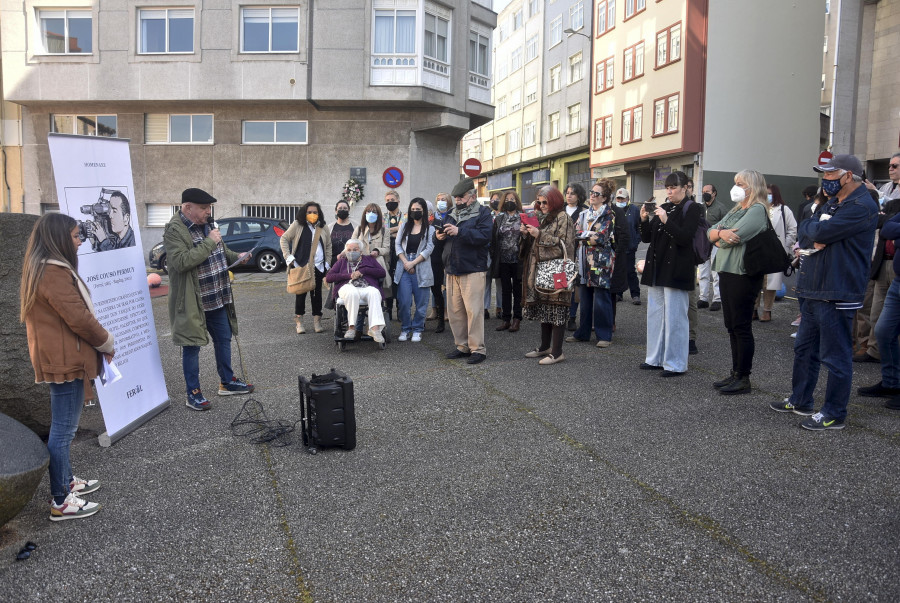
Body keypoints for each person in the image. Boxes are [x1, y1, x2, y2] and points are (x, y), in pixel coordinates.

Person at [770, 154, 878, 430]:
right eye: (824, 176)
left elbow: (822, 231)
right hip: (814, 287)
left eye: (831, 175)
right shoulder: (833, 202)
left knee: (836, 355)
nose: (825, 181)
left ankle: (834, 412)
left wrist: (819, 234)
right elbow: (809, 230)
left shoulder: (861, 205)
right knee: (804, 349)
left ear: (849, 176)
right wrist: (817, 234)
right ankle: (801, 399)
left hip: (837, 290)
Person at [20, 213, 115, 520]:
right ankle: (60, 499)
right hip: (64, 361)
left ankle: (67, 480)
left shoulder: (44, 268)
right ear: (60, 239)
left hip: (63, 357)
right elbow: (78, 318)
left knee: (65, 427)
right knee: (63, 430)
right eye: (75, 236)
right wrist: (107, 343)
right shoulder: (53, 272)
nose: (79, 241)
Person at [165, 188, 254, 411]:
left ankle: (227, 381)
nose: (208, 212)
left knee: (224, 338)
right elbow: (181, 262)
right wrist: (209, 242)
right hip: (193, 302)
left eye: (209, 208)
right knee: (192, 345)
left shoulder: (208, 226)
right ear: (187, 208)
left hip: (218, 296)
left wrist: (238, 257)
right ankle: (193, 393)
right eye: (204, 208)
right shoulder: (175, 230)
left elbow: (221, 251)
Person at [706, 170, 770, 394]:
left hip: (742, 274)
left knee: (741, 326)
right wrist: (720, 234)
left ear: (752, 187)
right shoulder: (736, 209)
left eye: (740, 183)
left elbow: (735, 237)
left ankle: (744, 377)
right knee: (731, 326)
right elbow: (710, 232)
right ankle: (735, 372)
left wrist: (719, 236)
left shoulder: (757, 210)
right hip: (727, 272)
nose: (736, 187)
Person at [638, 171, 702, 376]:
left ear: (685, 187)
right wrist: (644, 220)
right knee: (656, 316)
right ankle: (655, 358)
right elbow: (647, 238)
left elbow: (684, 237)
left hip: (677, 268)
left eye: (673, 187)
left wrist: (666, 220)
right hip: (657, 267)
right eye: (667, 187)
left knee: (675, 317)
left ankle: (675, 363)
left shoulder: (693, 208)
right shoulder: (664, 207)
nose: (670, 191)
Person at [436, 178, 493, 364]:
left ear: (472, 196)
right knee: (455, 312)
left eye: (461, 197)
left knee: (473, 311)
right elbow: (445, 236)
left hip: (472, 268)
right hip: (452, 268)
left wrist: (459, 232)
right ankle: (462, 345)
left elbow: (485, 236)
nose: (458, 200)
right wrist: (439, 236)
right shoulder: (451, 213)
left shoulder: (483, 213)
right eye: (456, 197)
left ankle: (478, 349)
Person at [521, 186, 576, 364]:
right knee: (545, 308)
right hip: (541, 269)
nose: (542, 205)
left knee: (558, 307)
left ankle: (558, 351)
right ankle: (545, 346)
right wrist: (527, 234)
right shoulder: (539, 217)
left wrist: (539, 234)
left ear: (554, 200)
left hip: (557, 271)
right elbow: (533, 244)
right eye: (539, 202)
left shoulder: (564, 217)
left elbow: (565, 246)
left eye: (546, 202)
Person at [853, 152, 900, 363]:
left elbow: (887, 219)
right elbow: (884, 223)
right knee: (875, 314)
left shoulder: (882, 192)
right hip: (882, 258)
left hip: (894, 260)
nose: (890, 169)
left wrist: (886, 215)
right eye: (890, 166)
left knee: (886, 319)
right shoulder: (885, 188)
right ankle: (874, 352)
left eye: (895, 166)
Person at [567, 178, 620, 348]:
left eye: (596, 194)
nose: (592, 196)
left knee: (602, 299)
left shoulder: (609, 215)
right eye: (591, 192)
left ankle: (604, 335)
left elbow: (601, 237)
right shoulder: (584, 214)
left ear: (604, 197)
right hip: (583, 261)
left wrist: (585, 236)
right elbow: (574, 233)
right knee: (585, 298)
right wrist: (587, 235)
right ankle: (583, 333)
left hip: (601, 262)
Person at [280, 201, 332, 334]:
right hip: (301, 266)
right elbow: (284, 239)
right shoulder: (298, 225)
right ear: (305, 213)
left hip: (319, 266)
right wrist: (288, 257)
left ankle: (317, 321)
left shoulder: (323, 226)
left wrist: (327, 263)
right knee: (300, 294)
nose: (312, 214)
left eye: (315, 212)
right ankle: (299, 322)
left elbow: (328, 246)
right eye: (309, 212)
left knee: (317, 295)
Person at [325, 239, 386, 343]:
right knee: (352, 292)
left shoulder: (369, 259)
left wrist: (364, 270)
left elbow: (382, 273)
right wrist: (349, 275)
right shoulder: (342, 261)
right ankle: (351, 327)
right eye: (349, 250)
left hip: (365, 286)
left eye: (355, 249)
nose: (352, 252)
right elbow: (329, 277)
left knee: (375, 292)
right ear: (345, 251)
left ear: (361, 251)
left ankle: (375, 330)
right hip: (347, 286)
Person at [394, 197, 435, 342]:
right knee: (404, 301)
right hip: (404, 265)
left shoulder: (430, 229)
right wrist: (406, 262)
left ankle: (417, 329)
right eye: (413, 209)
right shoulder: (404, 226)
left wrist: (413, 263)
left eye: (418, 209)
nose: (415, 212)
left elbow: (429, 248)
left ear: (423, 211)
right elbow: (397, 245)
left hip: (421, 266)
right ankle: (405, 328)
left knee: (421, 302)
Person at [755, 184, 798, 322]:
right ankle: (753, 309)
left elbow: (793, 229)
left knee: (771, 283)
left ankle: (767, 311)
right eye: (765, 193)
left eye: (770, 194)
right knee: (755, 281)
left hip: (776, 251)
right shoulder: (757, 208)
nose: (767, 196)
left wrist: (785, 245)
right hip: (758, 250)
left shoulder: (784, 210)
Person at [491, 190, 523, 332]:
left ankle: (517, 319)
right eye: (508, 199)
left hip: (518, 259)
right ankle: (506, 319)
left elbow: (528, 238)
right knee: (505, 290)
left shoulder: (523, 217)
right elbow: (494, 238)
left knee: (517, 290)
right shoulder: (499, 219)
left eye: (513, 199)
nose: (510, 202)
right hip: (503, 259)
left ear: (517, 202)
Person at [697, 184, 728, 311]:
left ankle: (717, 299)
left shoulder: (721, 208)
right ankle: (703, 298)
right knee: (703, 272)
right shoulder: (700, 207)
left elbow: (727, 226)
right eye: (703, 191)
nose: (705, 193)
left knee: (716, 273)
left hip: (716, 244)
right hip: (702, 244)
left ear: (714, 193)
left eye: (708, 191)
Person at [352, 202, 391, 295]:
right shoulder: (358, 229)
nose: (371, 214)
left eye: (374, 212)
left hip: (376, 265)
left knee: (375, 289)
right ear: (365, 213)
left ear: (378, 215)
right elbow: (351, 244)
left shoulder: (384, 231)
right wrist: (342, 253)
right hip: (360, 263)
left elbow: (386, 248)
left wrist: (377, 251)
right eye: (368, 211)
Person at [564, 183, 588, 329]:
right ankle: (561, 314)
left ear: (579, 196)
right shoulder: (559, 209)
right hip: (561, 252)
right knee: (561, 284)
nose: (569, 196)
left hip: (578, 252)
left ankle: (572, 317)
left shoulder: (584, 211)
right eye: (567, 193)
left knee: (575, 286)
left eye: (572, 193)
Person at [615, 187, 643, 306]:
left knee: (630, 271)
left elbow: (639, 228)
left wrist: (636, 241)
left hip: (630, 246)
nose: (620, 201)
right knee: (618, 271)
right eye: (618, 199)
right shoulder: (613, 210)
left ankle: (635, 294)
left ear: (628, 199)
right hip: (617, 246)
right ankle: (618, 293)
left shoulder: (635, 210)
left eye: (622, 199)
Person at [430, 193, 451, 333]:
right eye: (438, 200)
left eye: (443, 200)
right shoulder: (433, 217)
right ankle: (436, 311)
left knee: (448, 286)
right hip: (436, 254)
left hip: (449, 253)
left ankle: (447, 311)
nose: (441, 202)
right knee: (436, 286)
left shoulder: (452, 215)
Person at [384, 190, 403, 321]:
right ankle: (388, 310)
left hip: (400, 251)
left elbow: (403, 229)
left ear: (398, 201)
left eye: (392, 200)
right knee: (388, 280)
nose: (390, 203)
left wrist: (390, 231)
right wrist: (396, 230)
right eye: (388, 201)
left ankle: (401, 311)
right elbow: (382, 231)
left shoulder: (405, 216)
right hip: (387, 252)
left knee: (401, 280)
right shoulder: (383, 217)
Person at [485, 191, 503, 320]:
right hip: (486, 252)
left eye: (497, 199)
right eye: (492, 199)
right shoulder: (487, 215)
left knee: (499, 282)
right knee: (485, 281)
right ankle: (485, 308)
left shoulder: (505, 216)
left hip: (500, 253)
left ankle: (499, 308)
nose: (494, 201)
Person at [327, 199, 355, 265]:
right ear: (336, 211)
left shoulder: (356, 226)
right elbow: (326, 247)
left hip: (351, 264)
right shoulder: (329, 227)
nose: (342, 210)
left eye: (345, 208)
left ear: (349, 210)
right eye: (340, 208)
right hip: (333, 264)